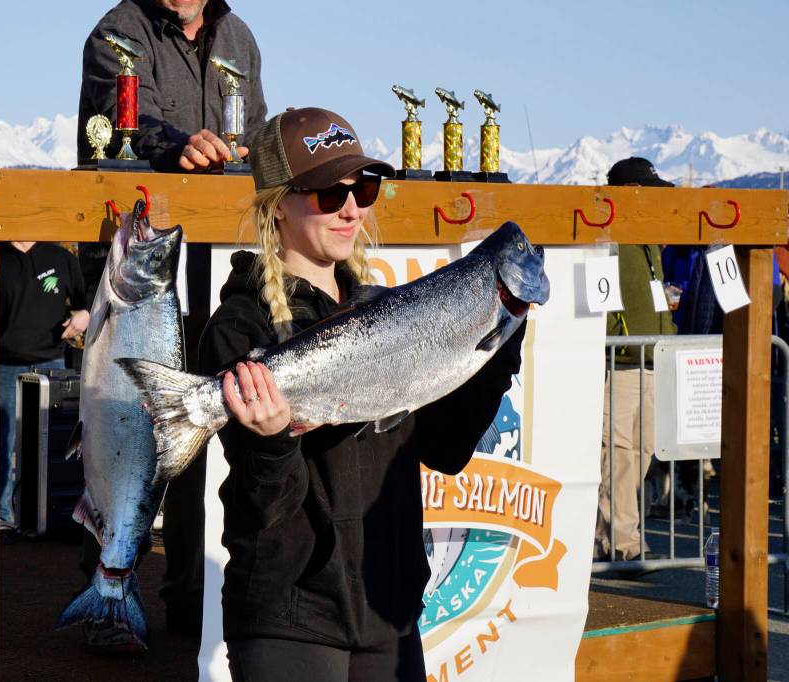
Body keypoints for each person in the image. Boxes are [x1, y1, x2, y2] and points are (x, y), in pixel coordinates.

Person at [199, 107, 524, 680]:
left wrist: (497, 340)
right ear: (279, 204)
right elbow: (262, 506)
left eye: (364, 187)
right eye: (330, 193)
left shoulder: (388, 312)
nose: (352, 208)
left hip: (388, 609)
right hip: (287, 616)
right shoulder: (240, 326)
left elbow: (445, 450)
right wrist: (275, 441)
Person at [595, 157, 676, 561]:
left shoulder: (648, 241)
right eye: (647, 191)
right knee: (619, 455)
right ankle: (624, 544)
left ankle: (602, 537)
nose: (654, 200)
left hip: (650, 359)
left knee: (638, 454)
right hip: (622, 359)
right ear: (628, 193)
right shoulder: (608, 235)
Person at [77, 0, 267, 171]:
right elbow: (133, 124)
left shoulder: (239, 38)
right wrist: (180, 150)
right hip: (140, 203)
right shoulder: (116, 34)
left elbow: (254, 133)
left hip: (229, 205)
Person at [0, 241, 89, 531]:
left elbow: (87, 298)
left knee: (54, 445)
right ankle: (5, 516)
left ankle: (53, 516)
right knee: (6, 442)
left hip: (53, 365)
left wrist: (84, 315)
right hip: (3, 365)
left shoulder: (59, 256)